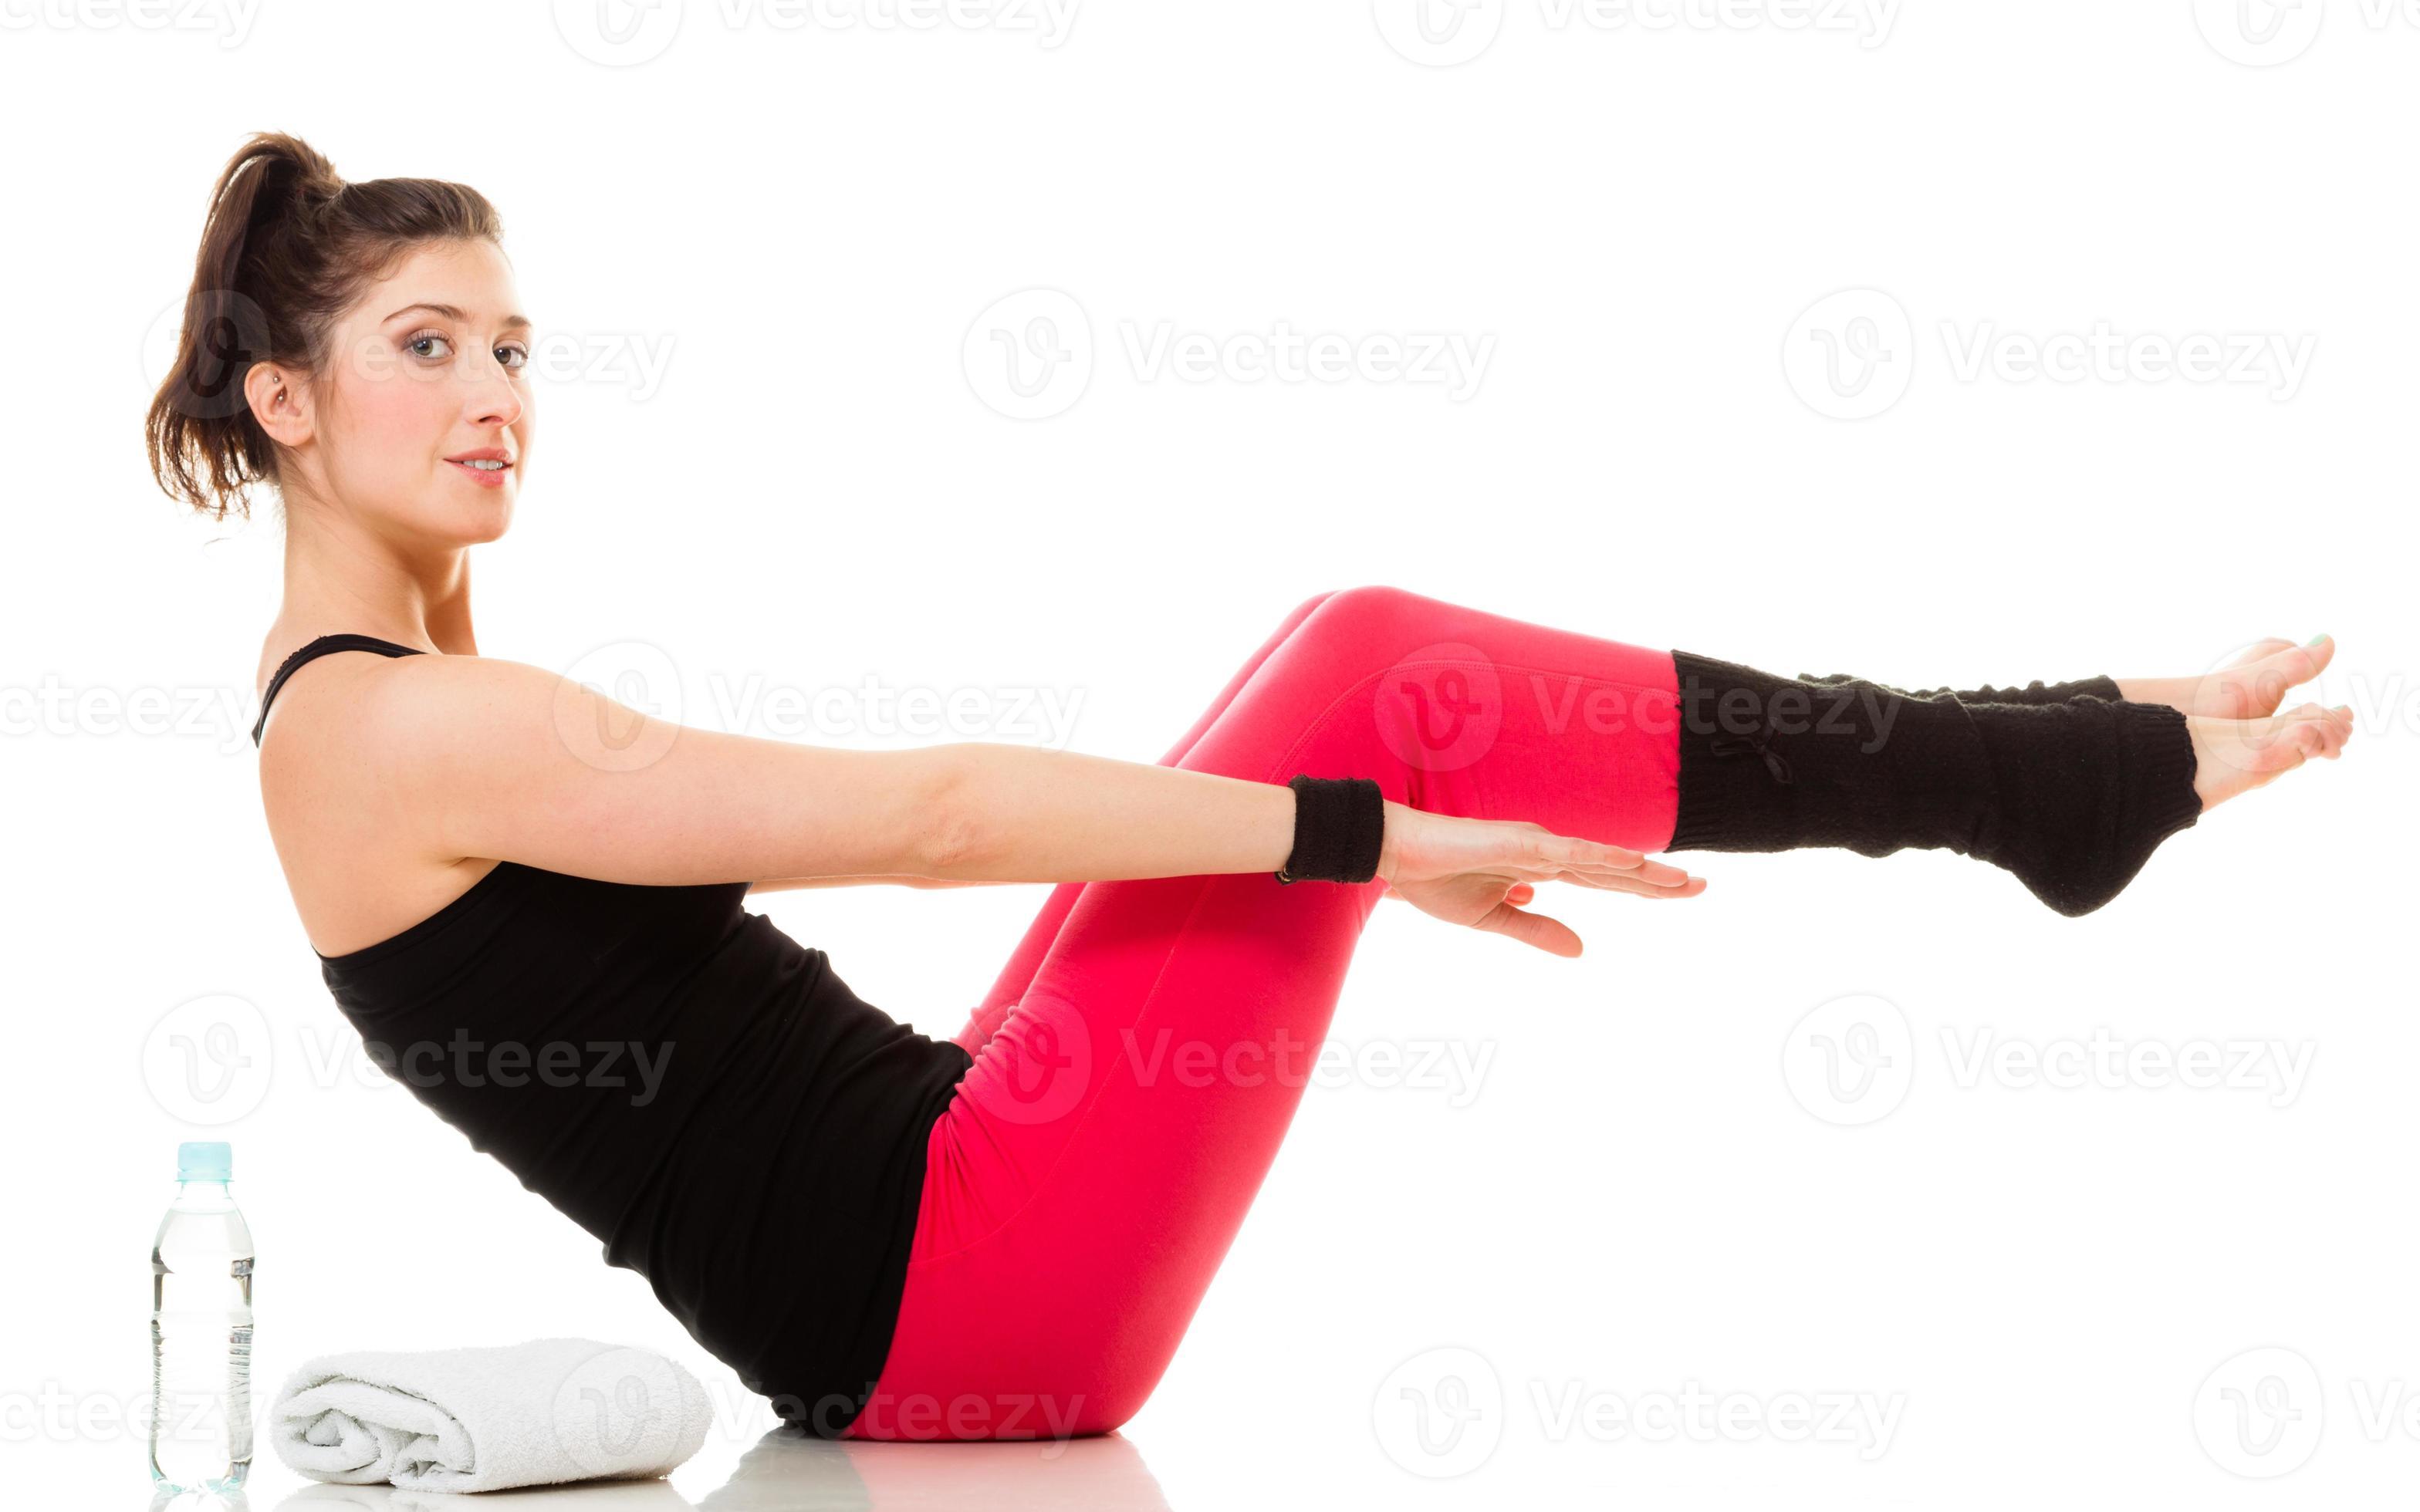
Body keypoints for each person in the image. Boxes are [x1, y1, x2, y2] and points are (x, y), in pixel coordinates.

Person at [147, 132, 2354, 1443]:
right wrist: (1364, 843)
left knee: (1344, 665)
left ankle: (2052, 751)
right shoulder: (391, 725)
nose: (499, 390)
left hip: (941, 1209)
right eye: (425, 345)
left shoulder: (397, 687)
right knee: (1377, 691)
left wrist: (1339, 864)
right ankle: (2037, 775)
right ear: (284, 401)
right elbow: (919, 822)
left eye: (514, 344)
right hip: (956, 1307)